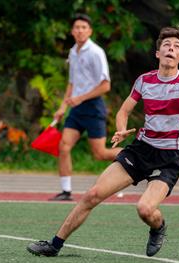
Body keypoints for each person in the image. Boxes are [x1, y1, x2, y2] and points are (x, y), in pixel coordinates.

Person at [27, 27, 179, 257]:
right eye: (166, 45)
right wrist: (121, 129)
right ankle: (54, 245)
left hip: (168, 158)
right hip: (141, 150)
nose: (171, 48)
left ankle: (158, 227)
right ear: (157, 53)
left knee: (145, 209)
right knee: (93, 194)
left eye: (176, 47)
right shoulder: (144, 81)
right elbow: (123, 111)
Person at [50, 13, 122, 201]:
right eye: (77, 27)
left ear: (89, 31)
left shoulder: (96, 52)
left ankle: (130, 157)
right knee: (64, 146)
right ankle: (66, 192)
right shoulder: (73, 51)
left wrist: (80, 98)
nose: (80, 30)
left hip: (93, 107)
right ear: (72, 31)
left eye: (84, 27)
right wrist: (62, 107)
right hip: (76, 108)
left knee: (100, 154)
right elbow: (71, 83)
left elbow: (106, 85)